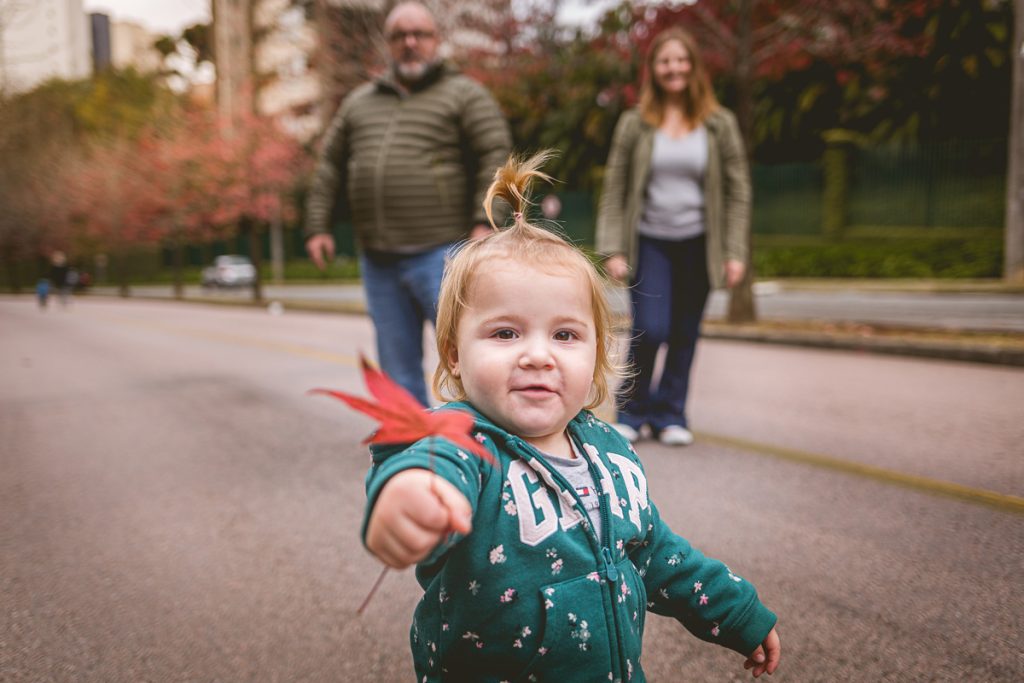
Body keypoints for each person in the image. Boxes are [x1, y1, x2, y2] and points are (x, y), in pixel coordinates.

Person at [361, 152, 780, 681]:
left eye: (565, 335)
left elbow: (655, 553)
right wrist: (410, 494)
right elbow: (425, 463)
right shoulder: (461, 441)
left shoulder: (610, 451)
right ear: (452, 354)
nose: (539, 355)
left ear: (597, 353)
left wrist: (735, 611)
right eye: (505, 333)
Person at [304, 1, 512, 407]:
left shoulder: (464, 93)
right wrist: (317, 226)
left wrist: (484, 221)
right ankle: (412, 455)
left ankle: (487, 442)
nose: (410, 43)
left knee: (469, 355)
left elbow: (495, 155)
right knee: (397, 372)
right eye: (399, 36)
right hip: (378, 259)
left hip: (443, 252)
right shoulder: (360, 101)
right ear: (388, 43)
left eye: (419, 34)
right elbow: (330, 165)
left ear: (436, 41)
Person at [595, 27, 752, 447]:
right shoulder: (635, 124)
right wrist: (613, 248)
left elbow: (738, 192)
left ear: (694, 67)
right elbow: (615, 187)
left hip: (701, 242)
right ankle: (631, 411)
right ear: (654, 70)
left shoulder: (719, 125)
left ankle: (671, 415)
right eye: (665, 61)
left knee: (685, 331)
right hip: (650, 239)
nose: (674, 68)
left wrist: (734, 252)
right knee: (651, 327)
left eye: (681, 60)